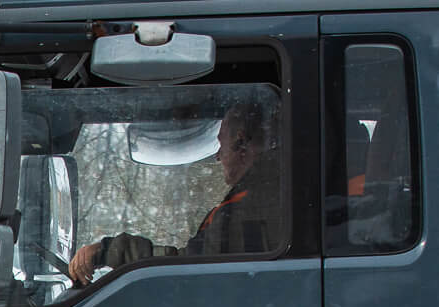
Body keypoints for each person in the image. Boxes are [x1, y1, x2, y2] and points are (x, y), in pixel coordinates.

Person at [67, 99, 282, 285]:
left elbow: (183, 267)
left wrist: (107, 251)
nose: (218, 157)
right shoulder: (272, 191)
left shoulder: (245, 209)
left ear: (240, 142)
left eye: (221, 145)